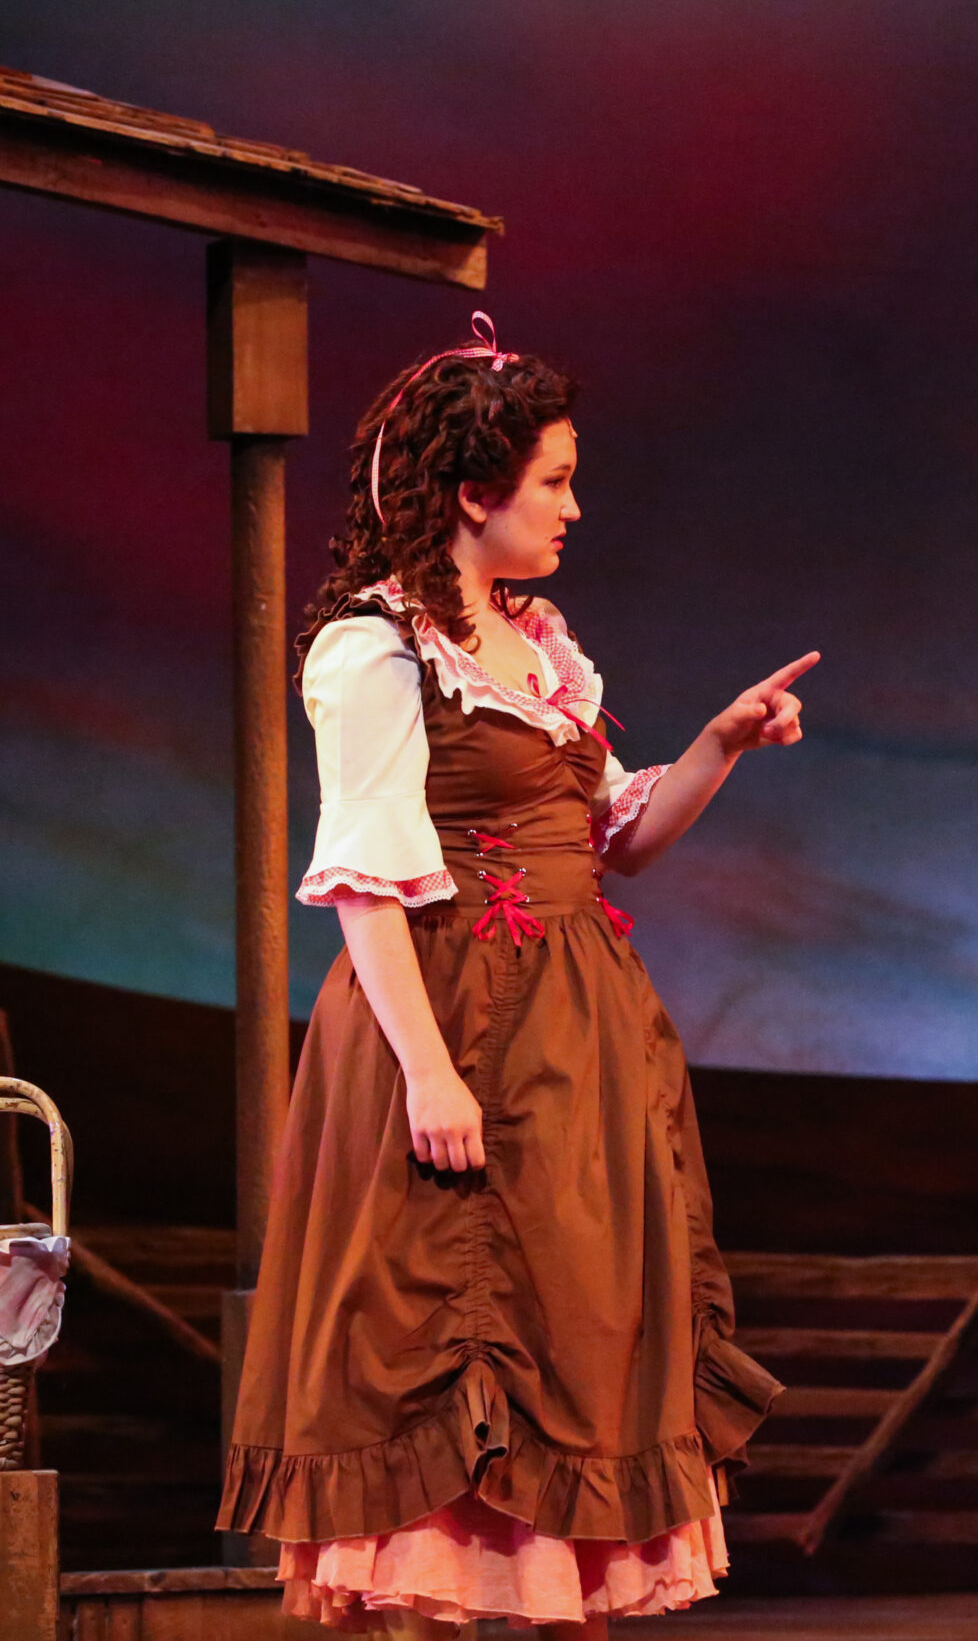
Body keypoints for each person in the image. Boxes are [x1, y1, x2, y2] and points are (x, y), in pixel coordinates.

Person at [219, 318, 818, 1638]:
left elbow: (619, 838)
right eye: (554, 479)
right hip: (445, 1018)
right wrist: (430, 1074)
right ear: (472, 492)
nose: (572, 506)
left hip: (575, 1026)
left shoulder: (537, 641)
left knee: (578, 1331)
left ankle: (562, 1605)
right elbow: (367, 881)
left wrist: (720, 744)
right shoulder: (374, 647)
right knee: (444, 1321)